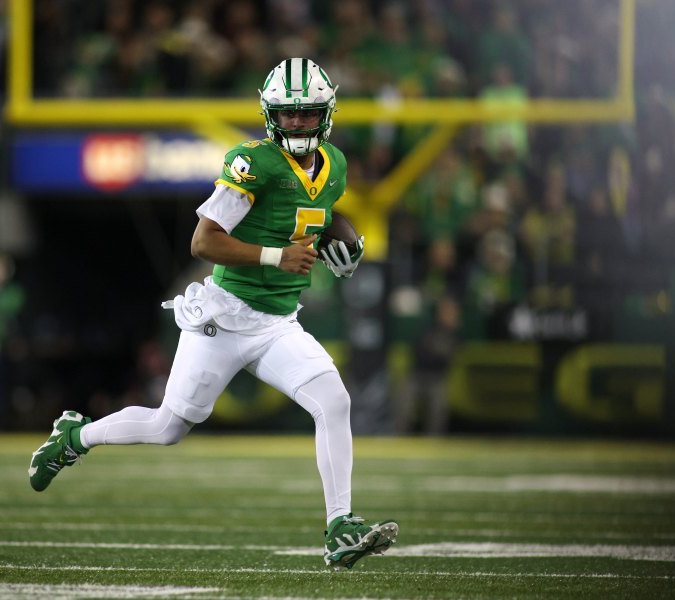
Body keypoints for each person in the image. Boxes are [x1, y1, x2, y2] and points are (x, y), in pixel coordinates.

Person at [28, 58, 398, 570]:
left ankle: (340, 527)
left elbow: (322, 213)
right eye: (287, 114)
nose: (296, 123)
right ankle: (74, 436)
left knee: (334, 401)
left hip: (277, 323)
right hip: (223, 319)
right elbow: (203, 241)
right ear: (270, 115)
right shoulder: (253, 162)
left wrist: (348, 240)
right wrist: (276, 256)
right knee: (168, 427)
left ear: (326, 113)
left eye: (306, 113)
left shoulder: (333, 162)